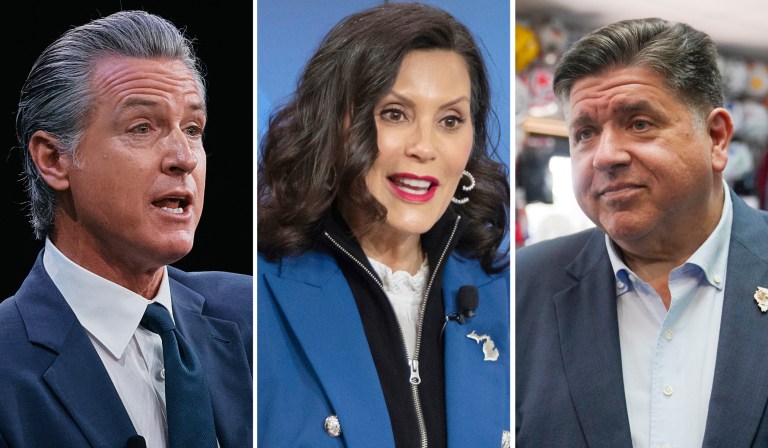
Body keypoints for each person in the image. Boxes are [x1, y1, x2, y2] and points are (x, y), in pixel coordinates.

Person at [257, 2, 511, 447]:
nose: (425, 147)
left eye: (450, 120)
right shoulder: (255, 297)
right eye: (395, 113)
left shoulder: (509, 298)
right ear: (332, 124)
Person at [0, 10, 252, 447]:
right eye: (142, 127)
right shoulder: (7, 363)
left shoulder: (254, 315)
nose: (184, 157)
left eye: (193, 129)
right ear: (54, 160)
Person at [516, 17, 768, 447]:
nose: (605, 156)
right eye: (585, 133)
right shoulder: (522, 287)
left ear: (716, 138)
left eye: (639, 123)